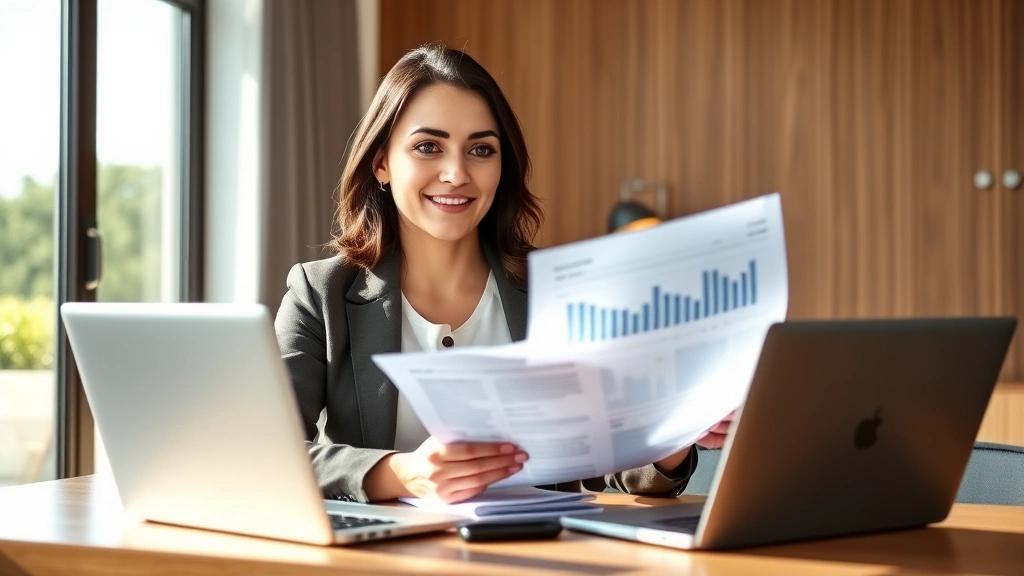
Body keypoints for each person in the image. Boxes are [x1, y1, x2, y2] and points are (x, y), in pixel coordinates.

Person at [275, 44, 733, 505]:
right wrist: (402, 473)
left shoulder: (556, 294)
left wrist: (669, 444)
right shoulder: (319, 294)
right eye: (428, 147)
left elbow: (604, 467)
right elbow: (272, 453)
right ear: (381, 164)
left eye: (480, 149)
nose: (456, 173)